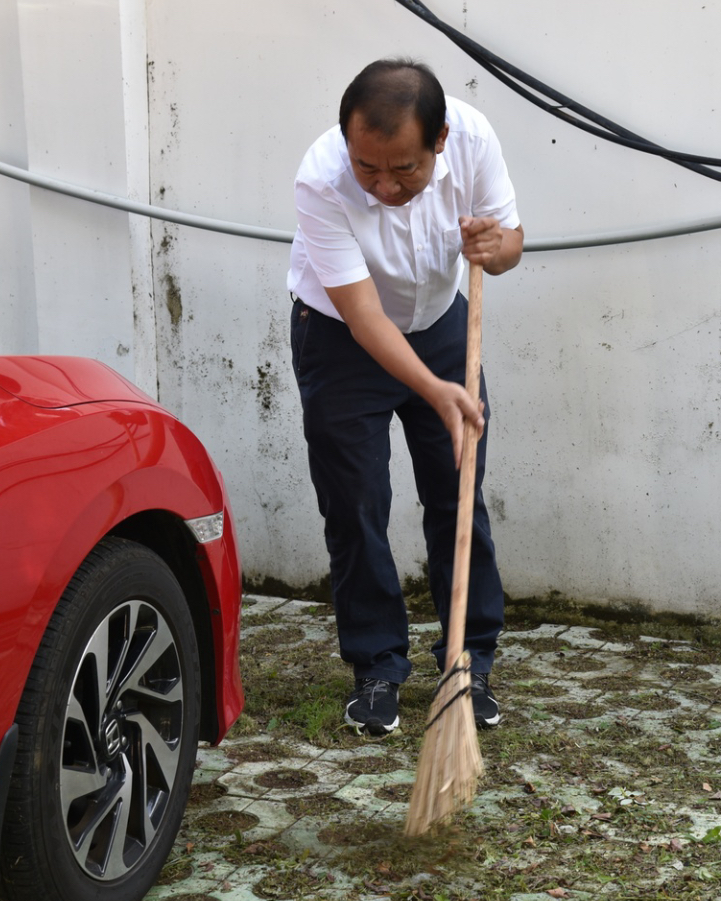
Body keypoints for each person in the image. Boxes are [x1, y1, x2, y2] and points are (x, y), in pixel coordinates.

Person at [286, 58, 523, 735]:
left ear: (439, 140)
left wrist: (496, 247)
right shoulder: (321, 177)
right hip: (341, 337)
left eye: (404, 170)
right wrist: (436, 390)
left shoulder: (472, 140)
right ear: (346, 140)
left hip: (442, 324)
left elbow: (511, 245)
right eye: (368, 168)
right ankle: (377, 666)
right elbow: (364, 318)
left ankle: (467, 662)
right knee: (355, 502)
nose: (385, 185)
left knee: (458, 489)